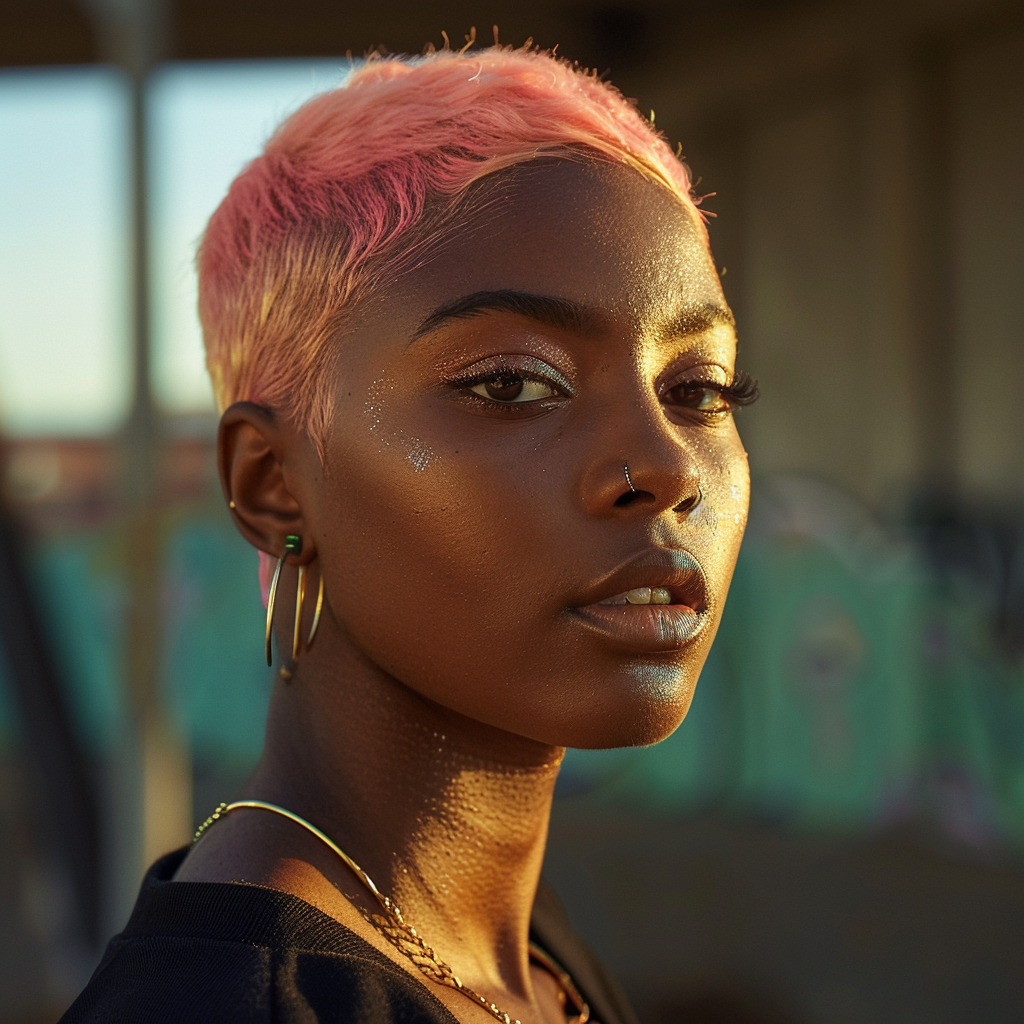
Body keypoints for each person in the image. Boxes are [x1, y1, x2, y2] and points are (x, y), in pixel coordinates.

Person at [61, 43, 756, 1024]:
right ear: (273, 488)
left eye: (700, 388)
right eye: (512, 383)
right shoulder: (223, 1005)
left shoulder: (528, 961)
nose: (670, 467)